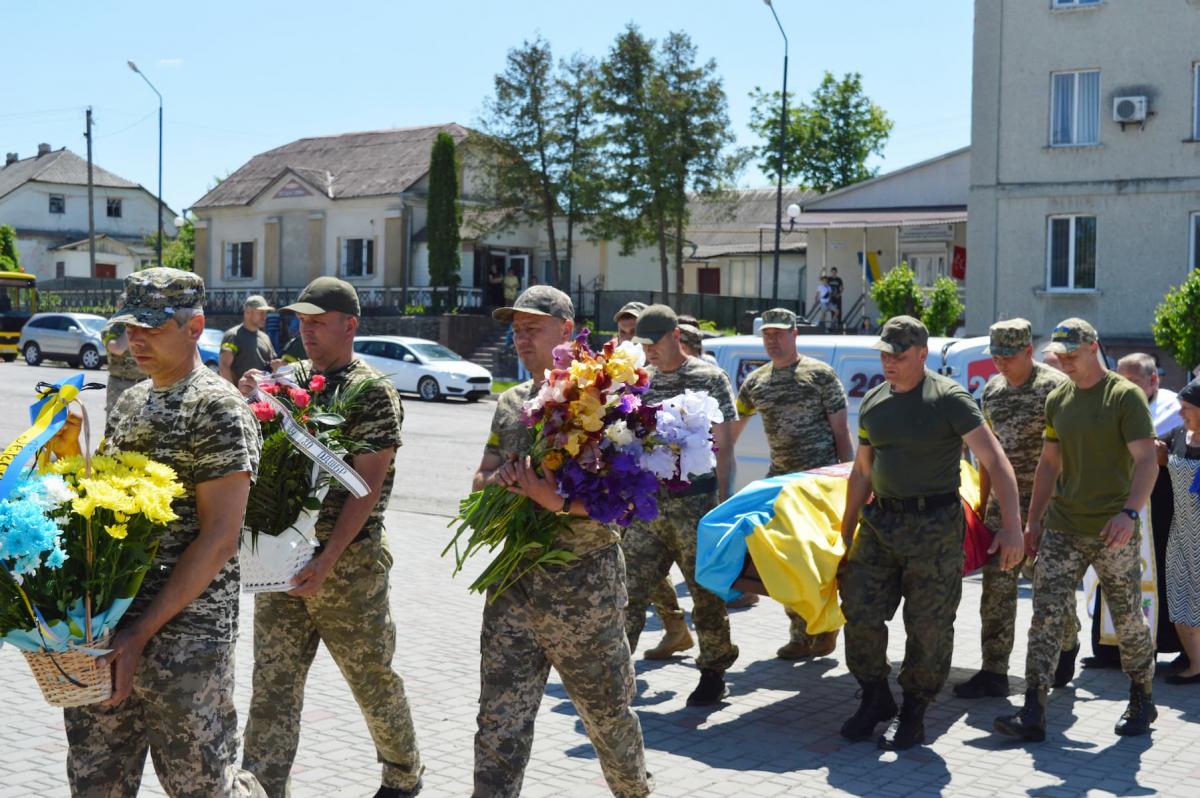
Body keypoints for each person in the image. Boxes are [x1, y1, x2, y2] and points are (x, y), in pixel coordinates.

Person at [64, 267, 266, 797]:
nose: (136, 339)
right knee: (94, 780)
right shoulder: (131, 401)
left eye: (152, 327)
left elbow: (220, 538)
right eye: (131, 326)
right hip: (111, 630)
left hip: (187, 642)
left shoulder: (217, 408)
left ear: (196, 326)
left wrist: (140, 633)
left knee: (199, 786)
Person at [240, 277, 424, 798]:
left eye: (318, 322)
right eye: (302, 321)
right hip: (280, 559)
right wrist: (250, 396)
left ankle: (402, 774)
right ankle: (262, 783)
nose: (307, 331)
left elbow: (365, 487)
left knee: (370, 678)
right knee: (273, 684)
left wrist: (328, 558)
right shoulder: (290, 378)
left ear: (350, 325)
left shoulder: (372, 392)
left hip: (349, 566)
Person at [472, 285, 650, 798]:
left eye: (533, 327)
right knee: (498, 722)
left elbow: (630, 502)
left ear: (567, 330)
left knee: (607, 720)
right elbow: (479, 480)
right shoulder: (510, 404)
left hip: (584, 591)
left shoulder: (610, 399)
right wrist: (500, 482)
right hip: (515, 586)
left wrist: (560, 504)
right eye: (516, 328)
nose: (520, 337)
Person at [839, 315, 1025, 751]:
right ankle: (875, 696)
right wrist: (845, 530)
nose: (889, 362)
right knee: (860, 613)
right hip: (881, 525)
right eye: (885, 354)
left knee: (929, 627)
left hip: (935, 527)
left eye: (899, 355)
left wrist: (1013, 526)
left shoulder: (949, 399)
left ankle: (915, 711)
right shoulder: (874, 402)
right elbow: (862, 470)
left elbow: (995, 462)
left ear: (922, 355)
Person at [994, 318, 1159, 742]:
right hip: (1064, 526)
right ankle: (1033, 709)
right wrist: (1032, 523)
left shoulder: (1125, 397)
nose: (1064, 363)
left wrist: (1128, 513)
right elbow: (1049, 464)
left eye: (1072, 355)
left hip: (1112, 528)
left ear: (1094, 348)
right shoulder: (1059, 399)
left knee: (1126, 619)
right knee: (1046, 614)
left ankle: (1142, 696)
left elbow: (1145, 461)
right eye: (1060, 355)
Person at [953, 320, 1079, 700]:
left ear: (1027, 352)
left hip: (1050, 506)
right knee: (996, 590)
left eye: (1008, 356)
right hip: (1001, 509)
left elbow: (1071, 455)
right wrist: (982, 500)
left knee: (1051, 589)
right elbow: (988, 455)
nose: (1000, 364)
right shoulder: (991, 391)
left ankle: (1066, 643)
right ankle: (994, 670)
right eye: (995, 356)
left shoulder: (1055, 389)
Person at [624, 304, 740, 706]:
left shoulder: (709, 378)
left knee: (705, 593)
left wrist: (723, 508)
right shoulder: (644, 381)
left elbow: (724, 448)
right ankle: (617, 673)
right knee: (629, 590)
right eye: (643, 344)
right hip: (648, 509)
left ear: (676, 336)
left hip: (696, 505)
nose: (649, 351)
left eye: (654, 343)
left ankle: (713, 671)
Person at [730, 307, 854, 659]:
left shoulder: (820, 375)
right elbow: (731, 431)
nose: (773, 340)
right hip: (781, 485)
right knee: (784, 561)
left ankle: (827, 626)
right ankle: (800, 634)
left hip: (819, 486)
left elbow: (842, 432)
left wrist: (848, 479)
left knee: (823, 561)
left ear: (794, 334)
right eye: (767, 334)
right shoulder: (756, 382)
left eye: (780, 333)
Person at [1083, 354, 1185, 670]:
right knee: (1111, 575)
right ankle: (1110, 651)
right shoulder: (1108, 405)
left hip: (1158, 514)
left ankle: (1158, 647)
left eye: (1133, 381)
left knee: (1158, 579)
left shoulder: (1173, 411)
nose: (1124, 387)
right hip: (1113, 506)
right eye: (1120, 379)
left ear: (1154, 381)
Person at [608, 300, 694, 657]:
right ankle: (674, 628)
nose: (629, 338)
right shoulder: (619, 368)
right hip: (628, 483)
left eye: (634, 331)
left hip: (671, 493)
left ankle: (677, 628)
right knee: (636, 562)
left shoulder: (664, 371)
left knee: (639, 562)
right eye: (624, 331)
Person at [1159, 379, 1200, 683]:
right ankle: (1195, 664)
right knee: (1180, 598)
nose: (1180, 411)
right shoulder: (1176, 437)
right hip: (1181, 532)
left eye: (1186, 407)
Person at [220, 295, 278, 384]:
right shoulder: (233, 336)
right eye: (261, 313)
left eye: (265, 313)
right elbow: (224, 367)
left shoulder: (265, 337)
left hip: (263, 394)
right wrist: (233, 394)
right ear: (248, 312)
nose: (264, 317)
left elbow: (273, 365)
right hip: (241, 395)